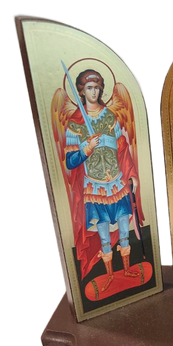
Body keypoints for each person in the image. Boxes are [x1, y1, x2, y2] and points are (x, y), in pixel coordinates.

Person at [61, 69, 143, 291]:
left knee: (124, 227)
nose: (94, 92)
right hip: (95, 186)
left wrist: (131, 174)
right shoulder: (75, 124)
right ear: (81, 91)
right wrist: (86, 148)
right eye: (89, 88)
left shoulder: (110, 117)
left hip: (117, 182)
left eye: (97, 87)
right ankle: (109, 275)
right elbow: (70, 162)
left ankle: (126, 269)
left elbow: (122, 149)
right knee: (104, 233)